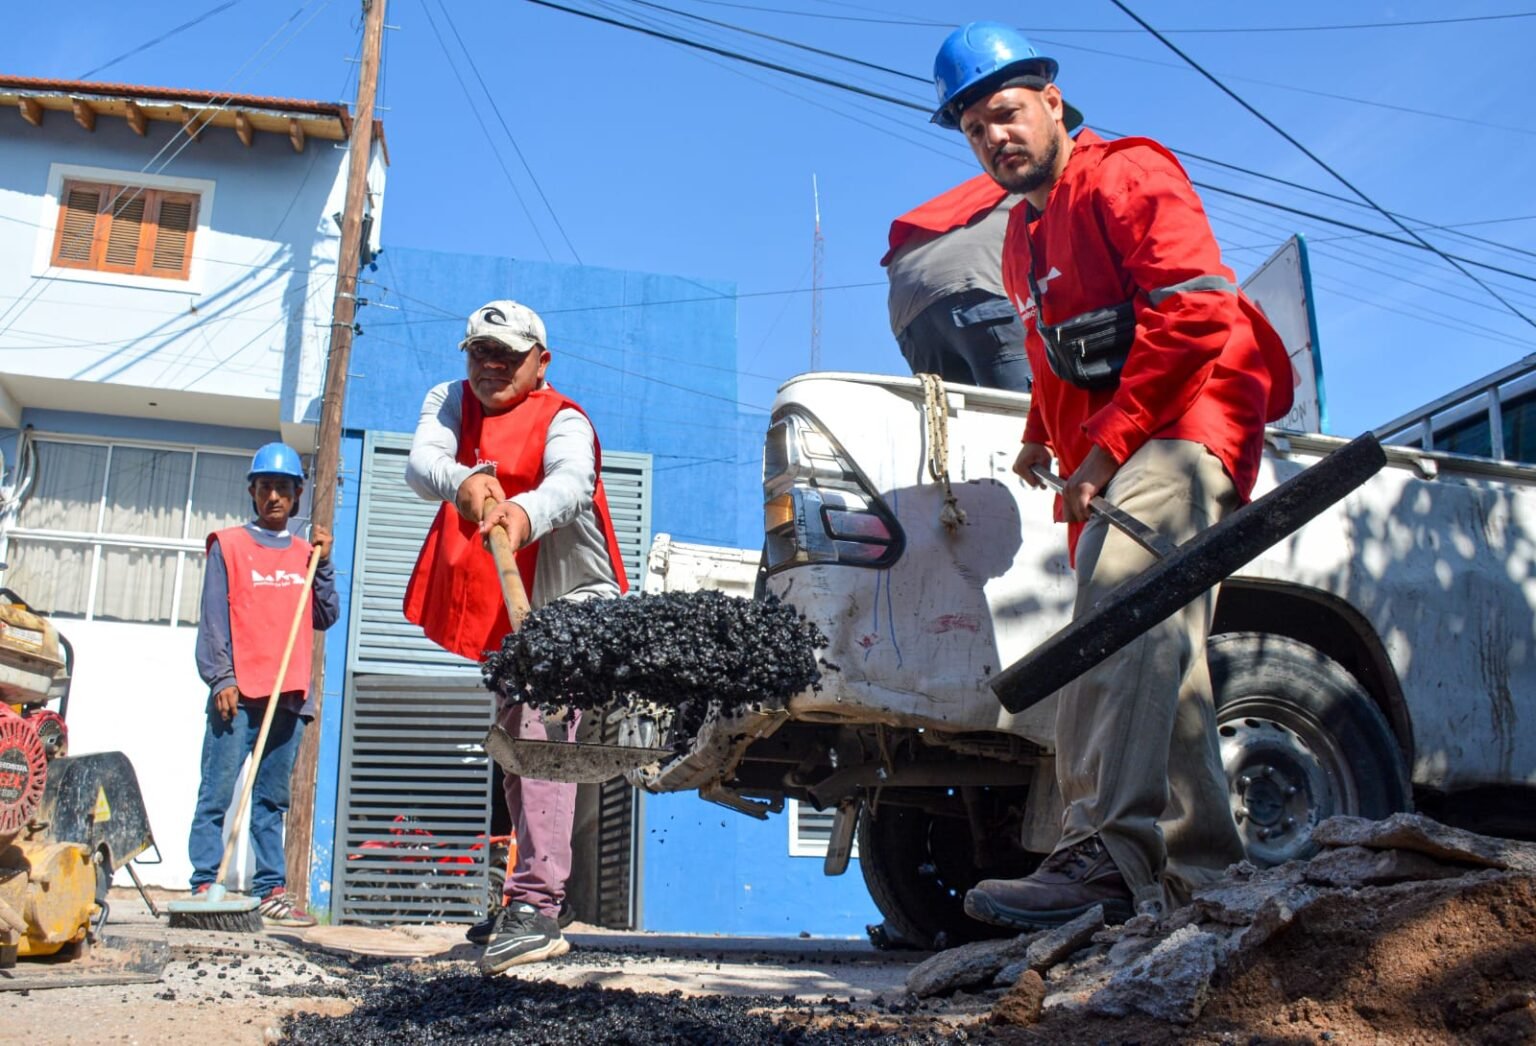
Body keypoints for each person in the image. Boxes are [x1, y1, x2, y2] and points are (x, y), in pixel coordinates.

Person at [925, 22, 1295, 928]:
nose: (993, 137)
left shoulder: (1128, 171)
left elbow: (1197, 311)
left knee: (1120, 615)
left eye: (1006, 113)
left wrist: (1105, 446)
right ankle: (1207, 876)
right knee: (1163, 658)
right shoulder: (1022, 232)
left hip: (1189, 420)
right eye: (974, 128)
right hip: (1122, 440)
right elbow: (1058, 354)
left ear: (1052, 100)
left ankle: (1104, 855)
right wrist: (1038, 434)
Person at [402, 298, 629, 973]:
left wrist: (522, 514)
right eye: (480, 353)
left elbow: (573, 484)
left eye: (507, 357)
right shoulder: (449, 399)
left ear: (541, 362)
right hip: (511, 603)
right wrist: (465, 482)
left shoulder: (564, 419)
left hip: (572, 597)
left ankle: (537, 904)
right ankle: (524, 898)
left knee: (541, 736)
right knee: (513, 746)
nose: (491, 367)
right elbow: (423, 464)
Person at [191, 442, 339, 928]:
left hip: (288, 696)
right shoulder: (228, 545)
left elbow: (324, 615)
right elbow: (214, 617)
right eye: (265, 487)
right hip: (237, 694)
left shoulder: (305, 553)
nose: (274, 496)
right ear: (253, 493)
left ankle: (270, 888)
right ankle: (202, 883)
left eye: (283, 488)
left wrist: (324, 565)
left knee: (272, 800)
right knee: (216, 793)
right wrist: (221, 677)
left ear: (296, 496)